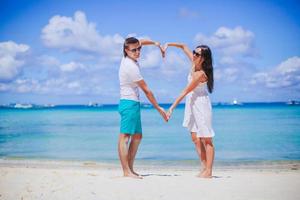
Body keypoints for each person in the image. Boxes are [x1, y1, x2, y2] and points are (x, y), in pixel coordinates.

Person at [118, 37, 167, 179]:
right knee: (125, 137)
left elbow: (140, 40)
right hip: (128, 103)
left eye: (139, 49)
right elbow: (147, 90)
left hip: (133, 103)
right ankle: (126, 171)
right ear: (126, 51)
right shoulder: (130, 67)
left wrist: (156, 43)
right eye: (134, 50)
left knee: (138, 136)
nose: (138, 52)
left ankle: (130, 169)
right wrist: (159, 108)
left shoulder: (128, 58)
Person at [164, 43, 215, 178]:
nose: (194, 55)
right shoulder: (193, 63)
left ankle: (209, 171)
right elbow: (183, 46)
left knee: (206, 139)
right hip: (191, 104)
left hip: (201, 105)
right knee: (195, 138)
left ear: (203, 58)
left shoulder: (200, 74)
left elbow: (186, 90)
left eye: (197, 54)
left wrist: (171, 108)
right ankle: (204, 167)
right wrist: (168, 45)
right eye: (194, 52)